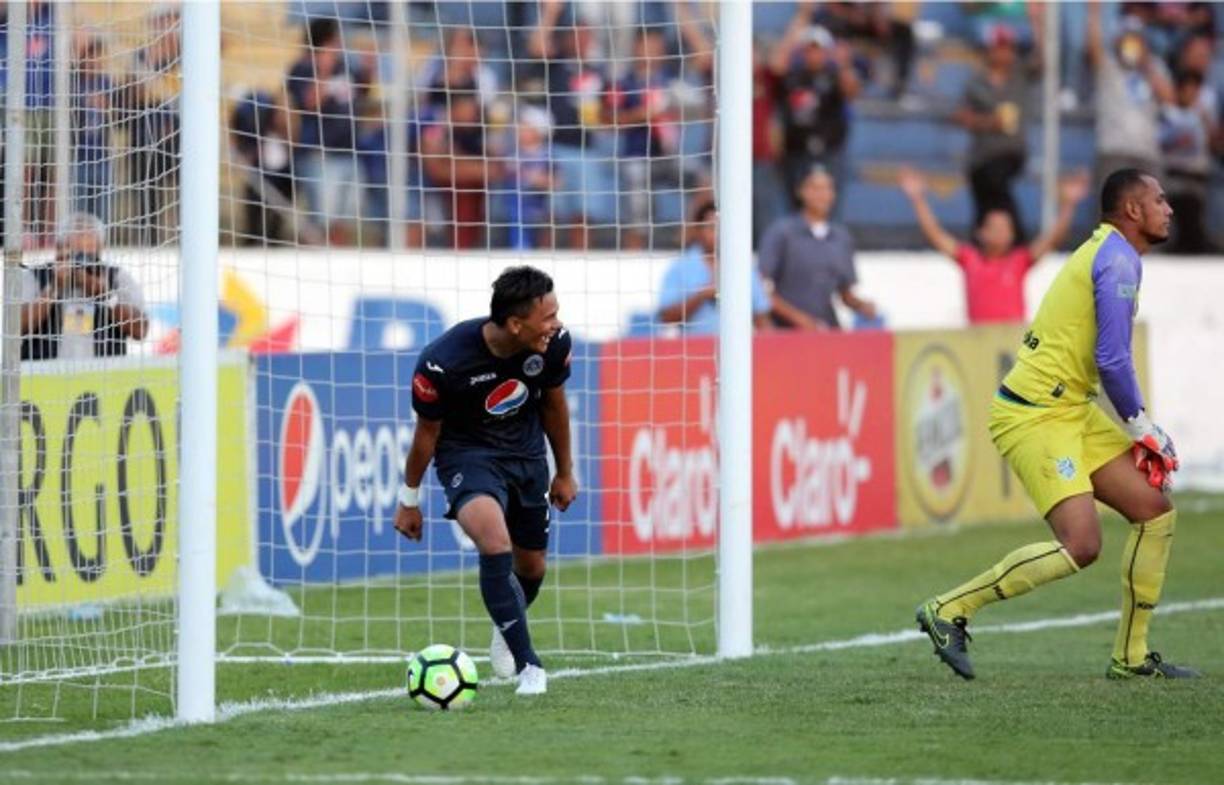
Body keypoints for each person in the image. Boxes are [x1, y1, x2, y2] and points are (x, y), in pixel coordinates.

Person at [916, 169, 1198, 682]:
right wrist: (1143, 428)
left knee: (1154, 512)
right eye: (1159, 199)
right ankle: (948, 608)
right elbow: (1113, 359)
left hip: (1071, 408)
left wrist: (1137, 426)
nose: (1169, 208)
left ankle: (1131, 657)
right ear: (1132, 210)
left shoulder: (1113, 253)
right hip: (1034, 413)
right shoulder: (1116, 260)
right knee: (1082, 544)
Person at [394, 266, 577, 696]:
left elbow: (554, 406)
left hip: (527, 457)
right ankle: (530, 666)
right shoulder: (442, 363)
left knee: (532, 567)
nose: (557, 324)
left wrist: (565, 471)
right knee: (495, 543)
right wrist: (409, 498)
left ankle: (506, 624)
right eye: (548, 316)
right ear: (515, 324)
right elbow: (426, 434)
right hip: (468, 457)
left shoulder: (553, 345)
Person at [897, 166, 1090, 324]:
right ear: (981, 233)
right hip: (979, 344)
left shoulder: (1020, 260)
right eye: (995, 228)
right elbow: (936, 235)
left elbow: (1053, 240)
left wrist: (1069, 204)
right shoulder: (969, 259)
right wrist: (918, 199)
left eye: (1005, 228)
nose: (1001, 233)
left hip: (1012, 344)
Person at [757, 166, 876, 330]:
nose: (822, 195)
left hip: (826, 326)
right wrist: (800, 320)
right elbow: (759, 287)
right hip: (786, 330)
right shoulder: (782, 232)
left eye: (827, 188)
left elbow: (845, 294)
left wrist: (862, 306)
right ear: (801, 191)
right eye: (815, 188)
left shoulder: (841, 237)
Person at [20, 212, 148, 361]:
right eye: (77, 254)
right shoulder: (36, 276)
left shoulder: (117, 277)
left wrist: (107, 297)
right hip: (46, 370)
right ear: (59, 248)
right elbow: (15, 328)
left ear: (100, 249)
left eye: (89, 256)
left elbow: (141, 331)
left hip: (103, 372)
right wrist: (54, 288)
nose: (82, 262)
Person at [954, 25, 1031, 238]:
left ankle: (1017, 236)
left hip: (1010, 151)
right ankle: (984, 238)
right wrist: (990, 122)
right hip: (982, 154)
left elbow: (1043, 59)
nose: (1005, 53)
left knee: (994, 181)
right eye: (1000, 47)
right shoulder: (976, 82)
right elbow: (961, 116)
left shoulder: (1020, 76)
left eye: (1008, 48)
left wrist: (1037, 21)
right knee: (984, 191)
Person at [1087, 4, 1173, 191]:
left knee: (1151, 206)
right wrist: (1094, 13)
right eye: (1126, 38)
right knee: (1111, 206)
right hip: (1113, 150)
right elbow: (1093, 48)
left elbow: (1169, 98)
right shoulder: (1109, 66)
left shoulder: (1155, 67)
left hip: (1147, 153)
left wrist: (1145, 65)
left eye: (1136, 38)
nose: (1131, 44)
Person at [657, 200, 772, 334]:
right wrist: (702, 296)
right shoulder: (680, 267)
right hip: (695, 345)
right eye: (712, 228)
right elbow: (666, 317)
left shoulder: (743, 267)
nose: (718, 234)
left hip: (736, 346)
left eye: (722, 228)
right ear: (697, 231)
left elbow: (761, 318)